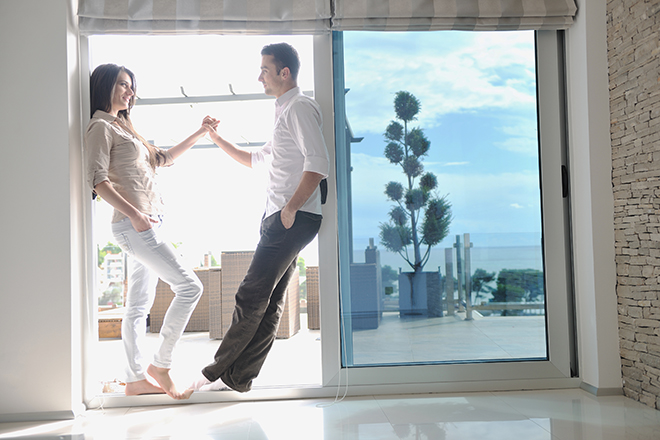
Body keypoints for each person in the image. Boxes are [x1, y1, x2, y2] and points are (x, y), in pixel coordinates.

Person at [191, 42, 329, 393]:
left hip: (290, 220)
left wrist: (290, 209)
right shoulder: (284, 111)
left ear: (284, 73)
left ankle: (213, 374)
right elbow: (255, 160)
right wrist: (216, 137)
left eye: (265, 70)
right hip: (282, 219)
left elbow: (318, 164)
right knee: (269, 304)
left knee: (250, 296)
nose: (259, 77)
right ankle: (237, 379)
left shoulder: (299, 107)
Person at [85, 63, 215, 400]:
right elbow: (97, 180)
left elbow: (164, 157)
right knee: (190, 287)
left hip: (146, 222)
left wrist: (200, 133)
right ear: (104, 87)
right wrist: (136, 214)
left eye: (131, 87)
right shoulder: (100, 126)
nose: (129, 92)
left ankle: (134, 379)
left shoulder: (125, 128)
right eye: (122, 85)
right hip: (133, 224)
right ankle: (161, 365)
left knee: (137, 305)